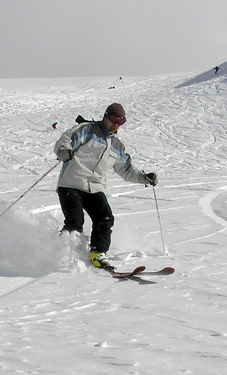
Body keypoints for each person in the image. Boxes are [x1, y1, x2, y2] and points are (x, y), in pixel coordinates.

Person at [54, 103, 158, 270]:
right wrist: (64, 150)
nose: (116, 124)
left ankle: (97, 254)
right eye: (113, 119)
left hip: (95, 186)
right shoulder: (86, 129)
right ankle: (60, 251)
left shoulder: (117, 146)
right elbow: (65, 140)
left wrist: (144, 178)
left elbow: (126, 169)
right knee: (75, 221)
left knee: (105, 218)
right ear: (106, 116)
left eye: (120, 122)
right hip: (71, 183)